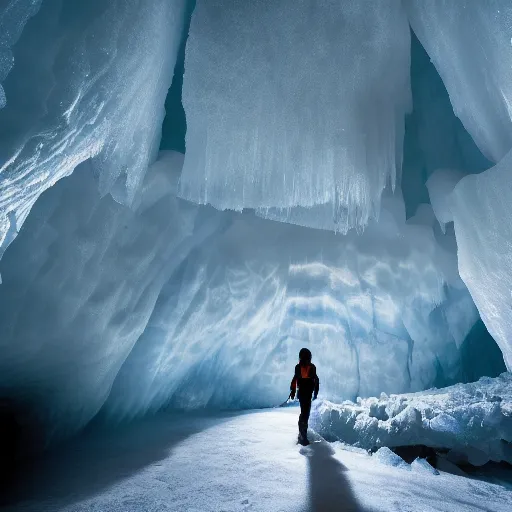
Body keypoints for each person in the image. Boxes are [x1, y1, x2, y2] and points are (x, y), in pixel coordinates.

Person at [289, 348, 319, 445]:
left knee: (303, 412)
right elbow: (316, 380)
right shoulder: (312, 367)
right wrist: (316, 393)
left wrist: (293, 391)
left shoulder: (298, 367)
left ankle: (301, 433)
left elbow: (294, 379)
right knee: (306, 413)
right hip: (308, 393)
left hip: (301, 393)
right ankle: (303, 436)